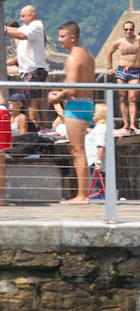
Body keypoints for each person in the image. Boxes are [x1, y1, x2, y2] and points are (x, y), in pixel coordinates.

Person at [47, 21, 95, 205]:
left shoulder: (73, 57)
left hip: (76, 106)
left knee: (77, 150)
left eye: (62, 36)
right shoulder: (87, 55)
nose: (59, 40)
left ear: (72, 37)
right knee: (79, 149)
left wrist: (57, 96)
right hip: (87, 103)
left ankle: (82, 196)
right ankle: (82, 194)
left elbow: (73, 88)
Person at [105, 20, 140, 131]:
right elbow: (109, 52)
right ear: (123, 30)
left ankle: (132, 123)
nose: (128, 31)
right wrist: (110, 68)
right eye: (126, 29)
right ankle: (125, 124)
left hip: (135, 70)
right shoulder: (119, 42)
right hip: (122, 70)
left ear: (134, 29)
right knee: (122, 98)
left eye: (130, 29)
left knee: (132, 98)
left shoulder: (139, 39)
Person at [3, 5, 48, 125]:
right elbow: (17, 31)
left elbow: (21, 35)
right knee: (33, 98)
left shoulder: (36, 26)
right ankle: (37, 123)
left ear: (31, 15)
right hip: (29, 69)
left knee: (32, 99)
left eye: (23, 16)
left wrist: (5, 30)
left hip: (33, 69)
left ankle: (34, 122)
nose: (21, 18)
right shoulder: (27, 27)